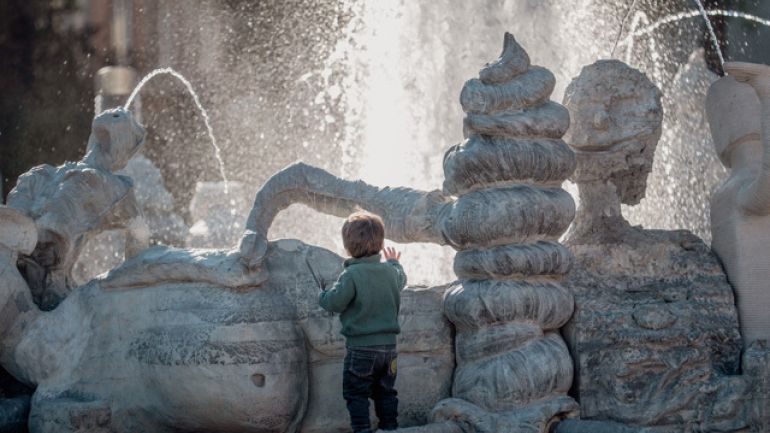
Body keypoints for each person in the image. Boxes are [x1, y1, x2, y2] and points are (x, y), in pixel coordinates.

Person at [319, 211, 407, 433]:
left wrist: (322, 296)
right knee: (386, 393)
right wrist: (395, 262)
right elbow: (401, 279)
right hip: (389, 350)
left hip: (361, 351)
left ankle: (362, 430)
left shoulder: (351, 275)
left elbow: (335, 302)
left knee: (356, 394)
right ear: (381, 242)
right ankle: (390, 428)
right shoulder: (389, 272)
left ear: (347, 246)